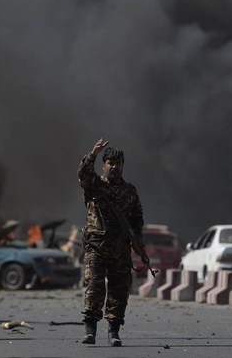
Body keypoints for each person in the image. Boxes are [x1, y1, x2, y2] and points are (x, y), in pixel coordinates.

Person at [78, 138, 145, 347]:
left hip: (119, 247)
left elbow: (137, 218)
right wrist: (93, 154)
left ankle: (114, 332)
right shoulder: (94, 185)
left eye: (118, 163)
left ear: (122, 165)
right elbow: (83, 174)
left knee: (119, 290)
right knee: (94, 286)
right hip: (96, 245)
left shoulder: (130, 191)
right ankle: (90, 330)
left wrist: (137, 239)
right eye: (110, 163)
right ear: (104, 165)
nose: (114, 167)